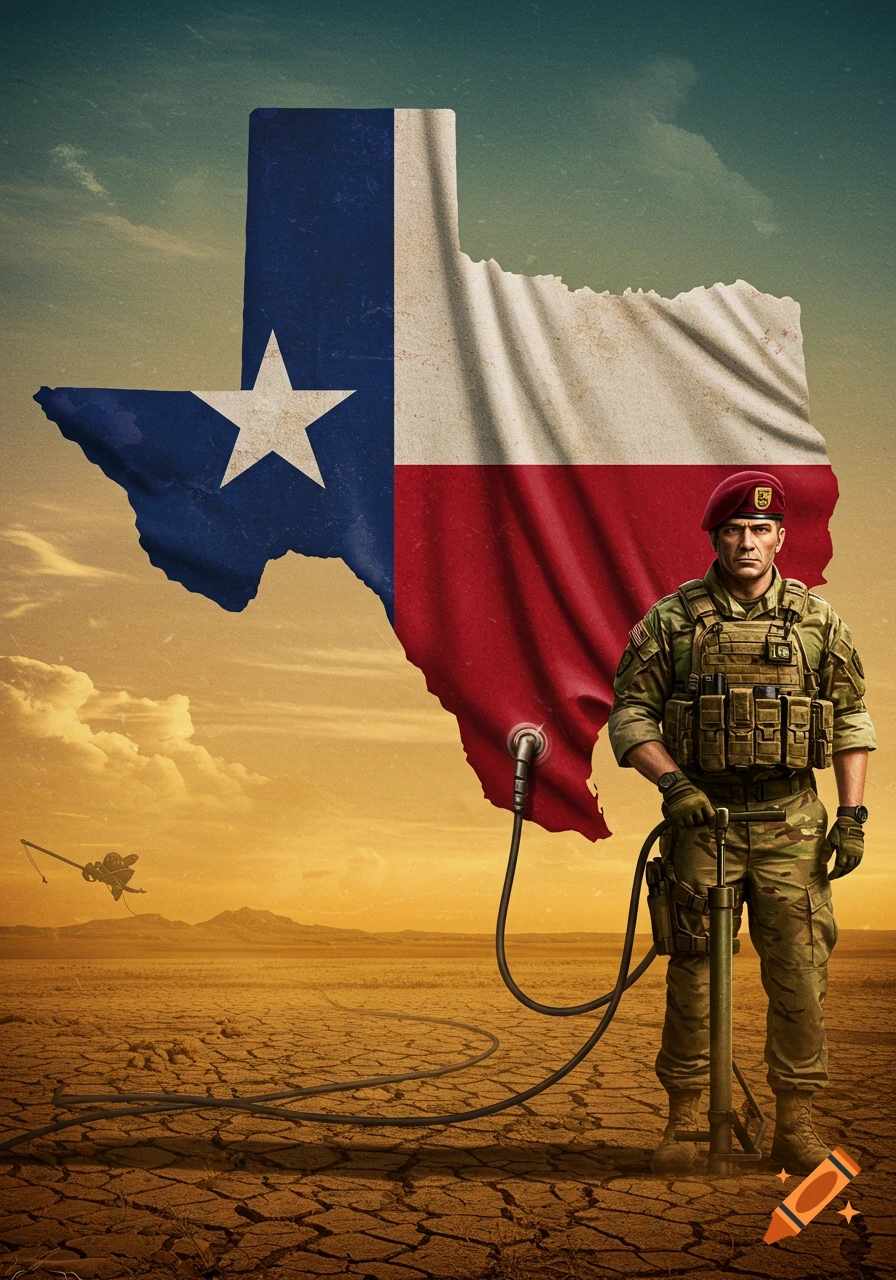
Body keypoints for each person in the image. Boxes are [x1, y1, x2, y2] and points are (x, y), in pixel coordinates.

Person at [607, 471, 875, 1174]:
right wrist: (672, 782)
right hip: (706, 827)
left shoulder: (819, 624)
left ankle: (796, 1123)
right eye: (733, 531)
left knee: (800, 974)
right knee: (694, 974)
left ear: (781, 537)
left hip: (792, 823)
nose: (746, 543)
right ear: (716, 538)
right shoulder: (671, 622)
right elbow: (629, 714)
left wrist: (851, 816)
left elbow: (850, 719)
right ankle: (687, 1121)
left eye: (760, 530)